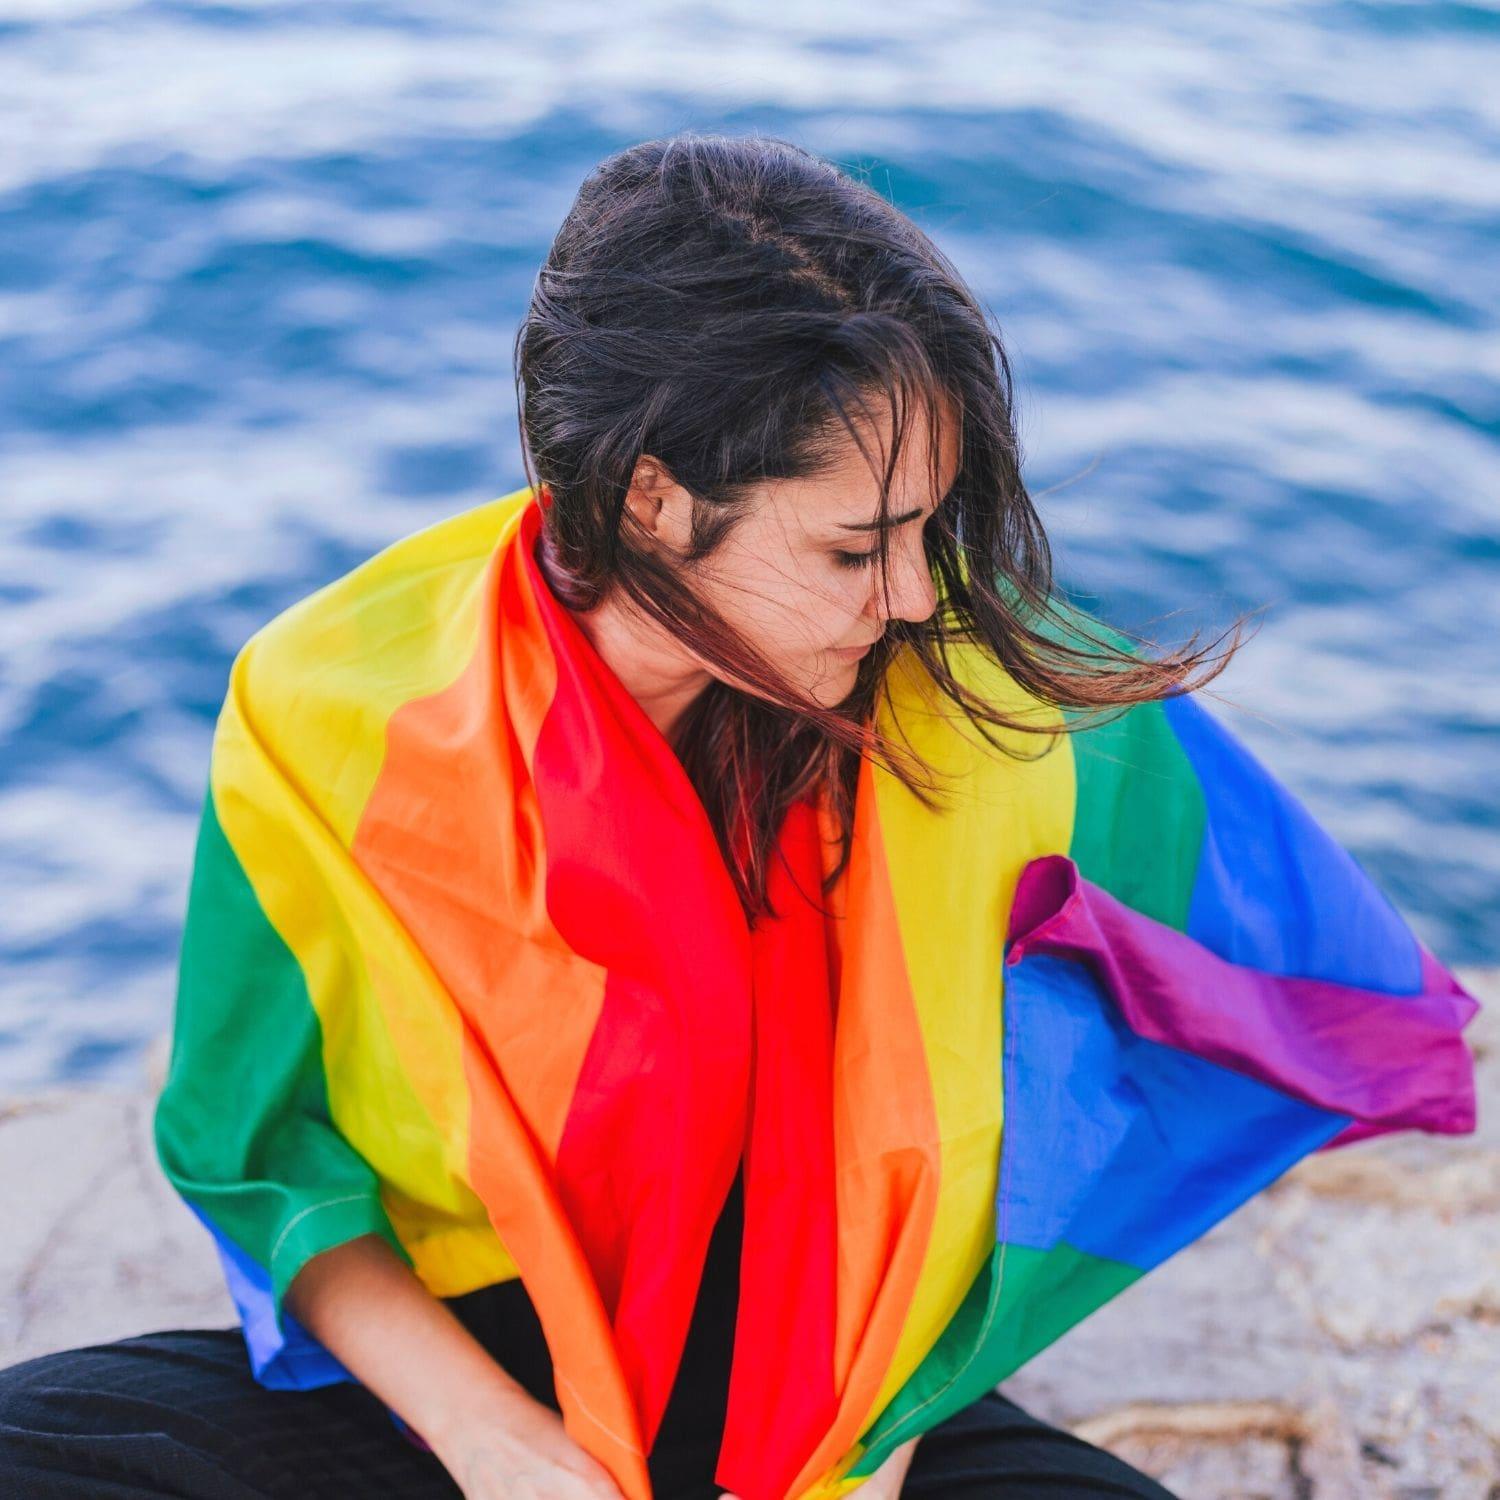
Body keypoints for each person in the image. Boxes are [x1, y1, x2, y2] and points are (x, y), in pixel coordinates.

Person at [0, 131, 1227, 1498]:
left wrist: (873, 1452)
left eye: (922, 532)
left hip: (821, 1371)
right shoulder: (336, 710)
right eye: (851, 546)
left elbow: (1109, 1051)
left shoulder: (953, 699)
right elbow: (267, 1159)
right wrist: (489, 1441)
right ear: (656, 498)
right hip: (487, 1354)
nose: (916, 599)